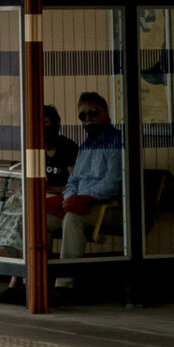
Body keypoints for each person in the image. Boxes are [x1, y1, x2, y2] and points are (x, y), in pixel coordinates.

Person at [47, 91, 123, 264]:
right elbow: (73, 180)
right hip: (80, 203)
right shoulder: (85, 146)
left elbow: (113, 183)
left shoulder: (117, 143)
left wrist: (85, 197)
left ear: (106, 114)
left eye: (94, 113)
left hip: (108, 206)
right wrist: (70, 197)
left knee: (73, 219)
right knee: (40, 220)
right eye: (83, 115)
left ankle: (64, 284)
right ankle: (41, 280)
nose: (88, 118)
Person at [44, 105, 80, 192]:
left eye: (46, 122)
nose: (42, 127)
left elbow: (78, 185)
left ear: (56, 124)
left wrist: (51, 189)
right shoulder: (36, 149)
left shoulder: (68, 147)